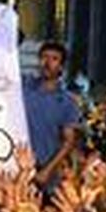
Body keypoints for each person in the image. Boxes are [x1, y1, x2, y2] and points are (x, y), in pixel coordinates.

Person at [22, 41, 82, 185]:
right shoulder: (24, 87)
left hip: (43, 171)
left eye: (54, 59)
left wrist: (47, 170)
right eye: (44, 57)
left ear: (61, 66)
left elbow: (69, 141)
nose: (47, 63)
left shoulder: (67, 102)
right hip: (16, 166)